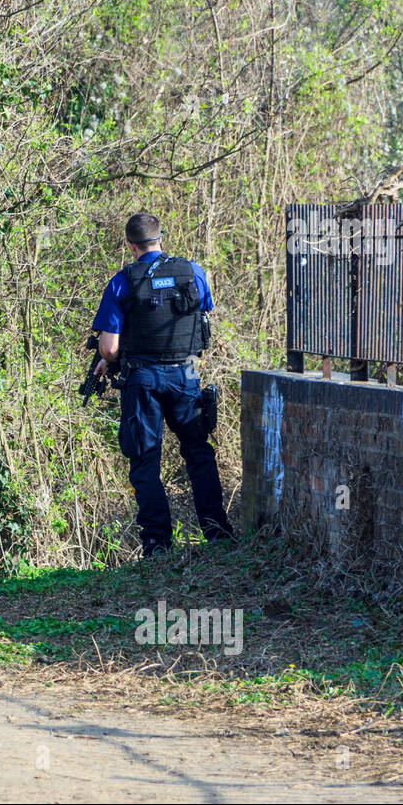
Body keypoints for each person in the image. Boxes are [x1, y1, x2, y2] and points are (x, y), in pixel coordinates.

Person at [91, 212, 234, 556]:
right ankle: (217, 534)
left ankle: (157, 545)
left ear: (130, 245)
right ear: (160, 239)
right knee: (199, 454)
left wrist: (107, 356)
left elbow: (109, 348)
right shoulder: (192, 272)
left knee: (145, 460)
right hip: (185, 377)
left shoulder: (122, 281)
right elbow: (202, 311)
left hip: (143, 381)